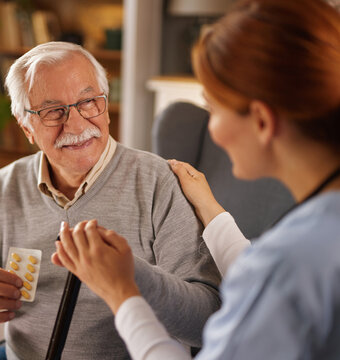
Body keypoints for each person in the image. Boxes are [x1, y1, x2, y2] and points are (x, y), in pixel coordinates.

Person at [52, 0, 340, 358]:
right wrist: (211, 209)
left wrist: (122, 293)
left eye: (212, 108)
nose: (211, 131)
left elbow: (271, 278)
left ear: (262, 122)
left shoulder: (286, 266)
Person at [0, 41, 222, 359]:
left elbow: (207, 320)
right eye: (53, 112)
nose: (75, 125)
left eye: (88, 102)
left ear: (105, 104)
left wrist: (130, 275)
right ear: (26, 127)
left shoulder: (159, 183)